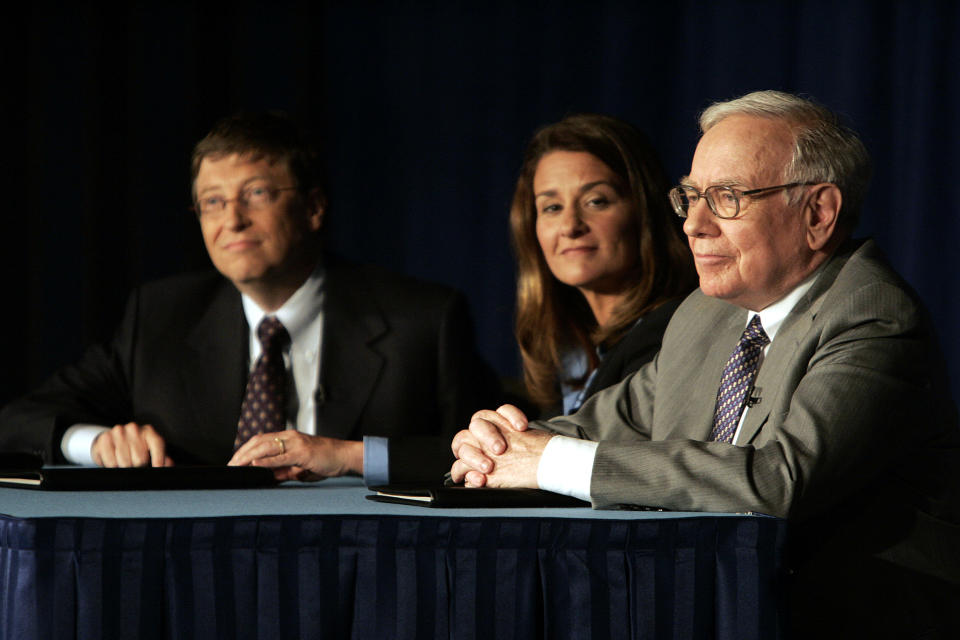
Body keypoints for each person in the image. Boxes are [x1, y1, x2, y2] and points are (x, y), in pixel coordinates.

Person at [451, 91, 960, 635]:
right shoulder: (705, 314)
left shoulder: (873, 315)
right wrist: (500, 444)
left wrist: (548, 460)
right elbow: (601, 424)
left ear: (818, 213)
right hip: (717, 604)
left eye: (726, 198)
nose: (693, 225)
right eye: (690, 197)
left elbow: (780, 481)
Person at [0, 111, 497, 484]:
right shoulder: (160, 317)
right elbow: (17, 420)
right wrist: (97, 442)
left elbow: (486, 455)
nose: (231, 220)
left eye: (255, 194)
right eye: (213, 202)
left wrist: (348, 455)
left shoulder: (423, 319)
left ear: (315, 207)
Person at [509, 114, 694, 417]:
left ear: (643, 211)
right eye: (552, 207)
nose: (570, 226)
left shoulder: (673, 336)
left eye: (596, 201)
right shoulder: (575, 352)